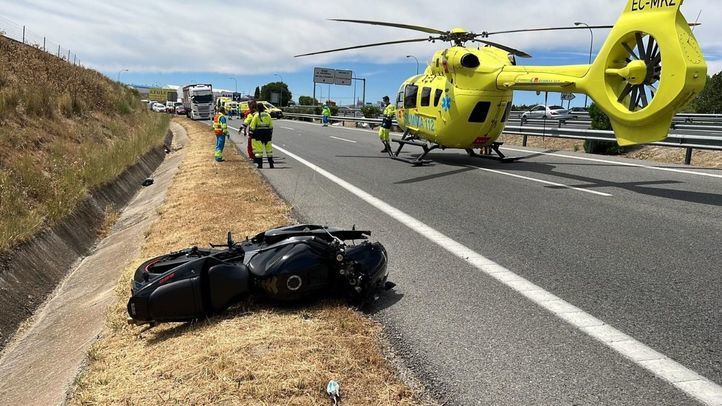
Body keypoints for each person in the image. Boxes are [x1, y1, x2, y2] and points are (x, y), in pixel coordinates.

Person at [249, 103, 274, 168]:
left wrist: (251, 134)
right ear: (263, 108)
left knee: (259, 150)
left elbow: (252, 126)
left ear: (257, 108)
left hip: (258, 134)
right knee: (269, 150)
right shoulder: (268, 115)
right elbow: (271, 126)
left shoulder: (256, 115)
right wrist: (270, 134)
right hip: (267, 134)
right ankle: (271, 164)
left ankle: (260, 165)